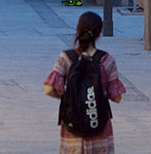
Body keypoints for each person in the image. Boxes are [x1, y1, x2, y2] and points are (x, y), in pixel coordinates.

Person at [44, 11, 125, 154]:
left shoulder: (66, 58)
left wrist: (70, 97)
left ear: (77, 30)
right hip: (99, 125)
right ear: (98, 34)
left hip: (72, 126)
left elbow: (48, 89)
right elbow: (117, 97)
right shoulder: (106, 60)